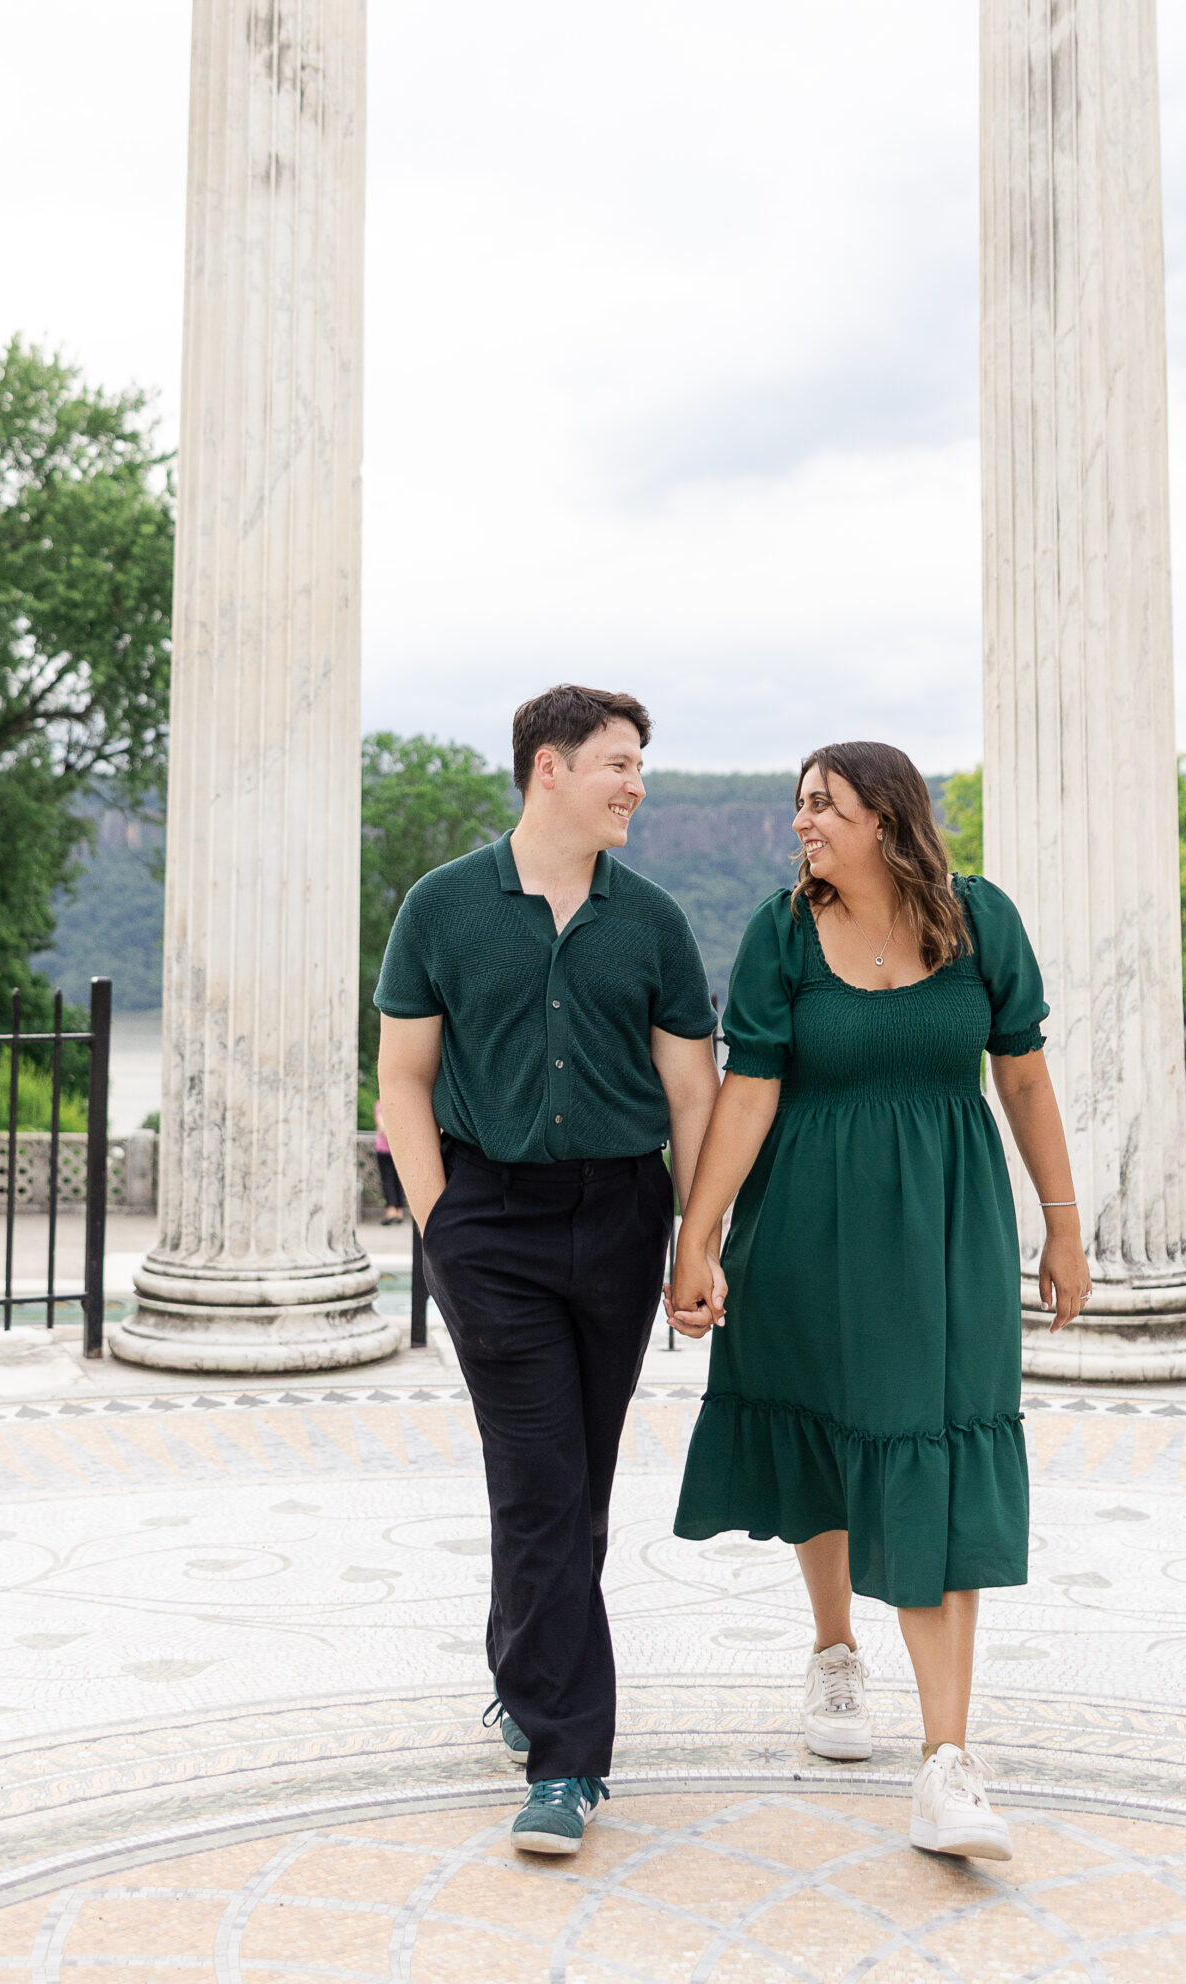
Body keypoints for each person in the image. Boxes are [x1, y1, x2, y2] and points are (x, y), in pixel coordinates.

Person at [668, 741, 1090, 1863]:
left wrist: (1061, 1217)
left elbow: (1025, 1076)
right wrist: (697, 1236)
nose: (801, 822)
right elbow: (748, 1088)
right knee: (819, 1434)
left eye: (824, 804)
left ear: (886, 818)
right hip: (805, 1226)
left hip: (947, 1231)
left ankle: (945, 1760)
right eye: (798, 804)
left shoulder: (979, 920)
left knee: (934, 1452)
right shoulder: (779, 930)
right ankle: (831, 1650)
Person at [375, 684, 719, 1859]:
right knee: (535, 1477)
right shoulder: (441, 907)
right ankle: (567, 1757)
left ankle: (523, 1672)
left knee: (575, 1483)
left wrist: (696, 1240)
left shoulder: (654, 921)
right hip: (493, 1227)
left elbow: (691, 1094)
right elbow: (402, 1080)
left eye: (639, 764)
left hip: (621, 1217)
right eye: (618, 763)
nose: (635, 784)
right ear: (546, 770)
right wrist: (441, 1226)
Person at [371, 1101, 406, 1224]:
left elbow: (380, 1125)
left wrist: (390, 1139)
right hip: (400, 1148)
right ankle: (399, 1211)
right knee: (399, 1180)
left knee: (388, 1179)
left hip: (384, 1149)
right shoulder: (400, 1103)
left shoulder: (380, 1105)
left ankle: (391, 1210)